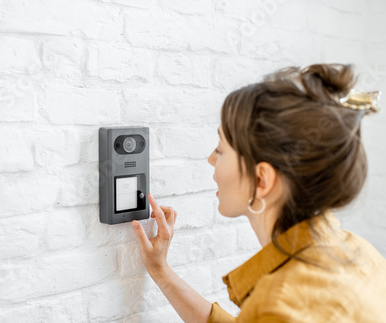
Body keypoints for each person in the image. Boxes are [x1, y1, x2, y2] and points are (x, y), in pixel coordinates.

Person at [131, 63, 386, 322]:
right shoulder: (360, 252)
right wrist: (160, 270)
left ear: (261, 179)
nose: (211, 159)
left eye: (220, 150)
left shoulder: (278, 305)